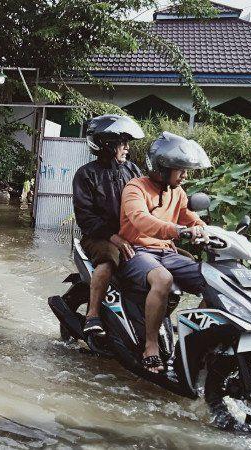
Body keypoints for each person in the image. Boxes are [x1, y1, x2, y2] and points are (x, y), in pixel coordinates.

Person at [117, 131, 211, 373]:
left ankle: (193, 345)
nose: (185, 175)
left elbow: (190, 218)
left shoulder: (177, 192)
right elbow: (140, 219)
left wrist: (204, 229)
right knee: (163, 279)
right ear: (162, 168)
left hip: (166, 253)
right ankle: (151, 346)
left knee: (213, 281)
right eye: (181, 170)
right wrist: (177, 230)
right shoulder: (135, 188)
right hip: (137, 251)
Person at [72, 115, 145, 343]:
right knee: (108, 259)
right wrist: (114, 238)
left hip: (130, 235)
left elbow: (146, 205)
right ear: (107, 144)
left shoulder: (133, 171)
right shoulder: (86, 174)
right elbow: (86, 218)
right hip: (98, 237)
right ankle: (92, 315)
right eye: (122, 143)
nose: (127, 148)